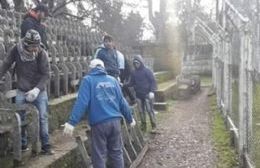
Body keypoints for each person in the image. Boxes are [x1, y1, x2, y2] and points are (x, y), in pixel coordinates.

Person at [63, 59, 136, 168]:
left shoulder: (88, 80)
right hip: (115, 122)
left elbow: (82, 102)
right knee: (116, 153)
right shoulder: (113, 80)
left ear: (91, 68)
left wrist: (72, 122)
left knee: (99, 155)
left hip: (99, 124)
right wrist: (130, 118)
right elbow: (122, 101)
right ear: (103, 68)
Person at [0, 29, 53, 154]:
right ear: (26, 45)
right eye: (33, 46)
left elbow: (46, 75)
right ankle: (22, 144)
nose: (35, 49)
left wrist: (36, 89)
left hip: (38, 90)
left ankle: (46, 145)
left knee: (42, 117)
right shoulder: (16, 50)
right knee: (20, 117)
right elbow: (6, 64)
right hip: (22, 88)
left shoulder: (41, 53)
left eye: (37, 46)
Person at [124, 55, 157, 132]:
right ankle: (143, 126)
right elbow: (131, 83)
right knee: (141, 112)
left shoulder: (147, 71)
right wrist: (125, 84)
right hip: (138, 95)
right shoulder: (133, 72)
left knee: (149, 110)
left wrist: (152, 91)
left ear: (141, 62)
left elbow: (153, 81)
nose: (136, 64)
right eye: (135, 63)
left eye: (137, 63)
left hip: (147, 95)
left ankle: (154, 126)